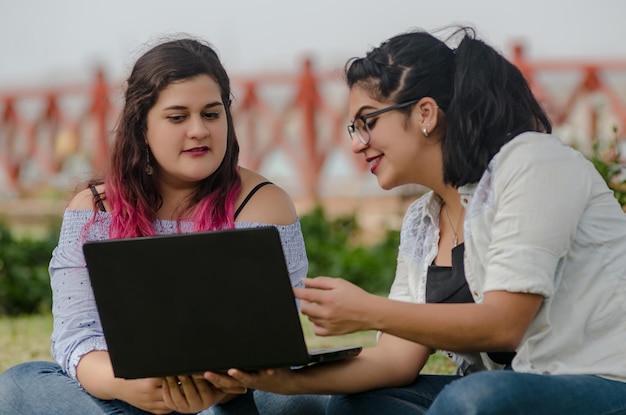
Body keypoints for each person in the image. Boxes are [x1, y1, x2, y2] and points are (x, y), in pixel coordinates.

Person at [195, 26, 626, 415]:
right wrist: (279, 379)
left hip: (601, 383)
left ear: (424, 113)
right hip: (504, 394)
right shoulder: (424, 219)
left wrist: (368, 311)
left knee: (475, 398)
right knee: (353, 406)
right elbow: (394, 360)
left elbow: (504, 324)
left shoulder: (532, 162)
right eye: (352, 130)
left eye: (366, 123)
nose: (358, 145)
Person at [0, 37, 327, 415]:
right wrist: (131, 388)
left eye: (211, 114)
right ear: (141, 127)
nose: (199, 131)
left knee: (294, 401)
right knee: (18, 386)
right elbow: (77, 336)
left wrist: (219, 389)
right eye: (177, 117)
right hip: (128, 395)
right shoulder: (95, 210)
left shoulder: (263, 204)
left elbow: (274, 342)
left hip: (233, 398)